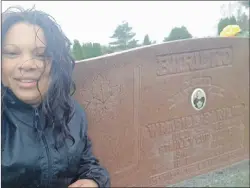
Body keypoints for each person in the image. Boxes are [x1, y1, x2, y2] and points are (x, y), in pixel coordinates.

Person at [1, 6, 110, 188]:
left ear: (56, 62)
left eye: (41, 54)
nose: (27, 64)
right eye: (12, 53)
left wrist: (93, 181)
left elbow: (86, 162)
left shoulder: (72, 112)